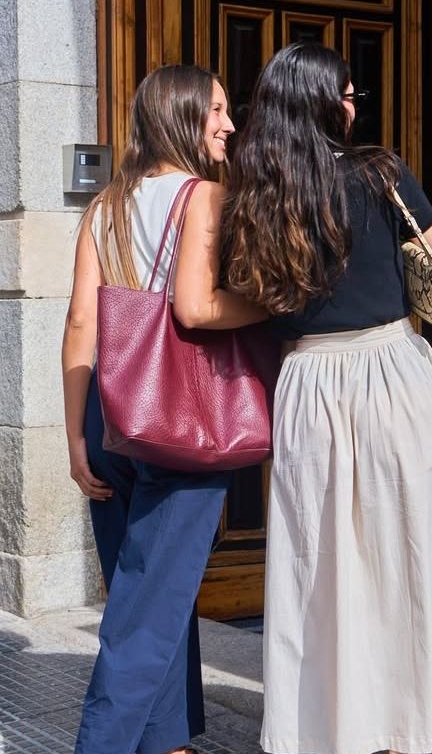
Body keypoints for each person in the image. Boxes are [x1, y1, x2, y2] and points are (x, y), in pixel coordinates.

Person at [223, 43, 432, 754]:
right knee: (407, 549)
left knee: (323, 565)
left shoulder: (253, 191)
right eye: (347, 94)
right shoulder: (381, 172)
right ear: (321, 101)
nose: (353, 106)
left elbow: (248, 298)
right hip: (395, 376)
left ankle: (330, 723)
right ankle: (406, 722)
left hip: (311, 383)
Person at [62, 65, 266, 754]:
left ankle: (169, 741)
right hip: (176, 422)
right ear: (180, 115)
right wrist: (273, 307)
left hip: (108, 411)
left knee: (151, 597)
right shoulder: (202, 198)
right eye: (214, 110)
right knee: (144, 617)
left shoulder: (105, 207)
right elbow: (194, 308)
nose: (228, 124)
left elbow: (81, 326)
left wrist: (74, 438)